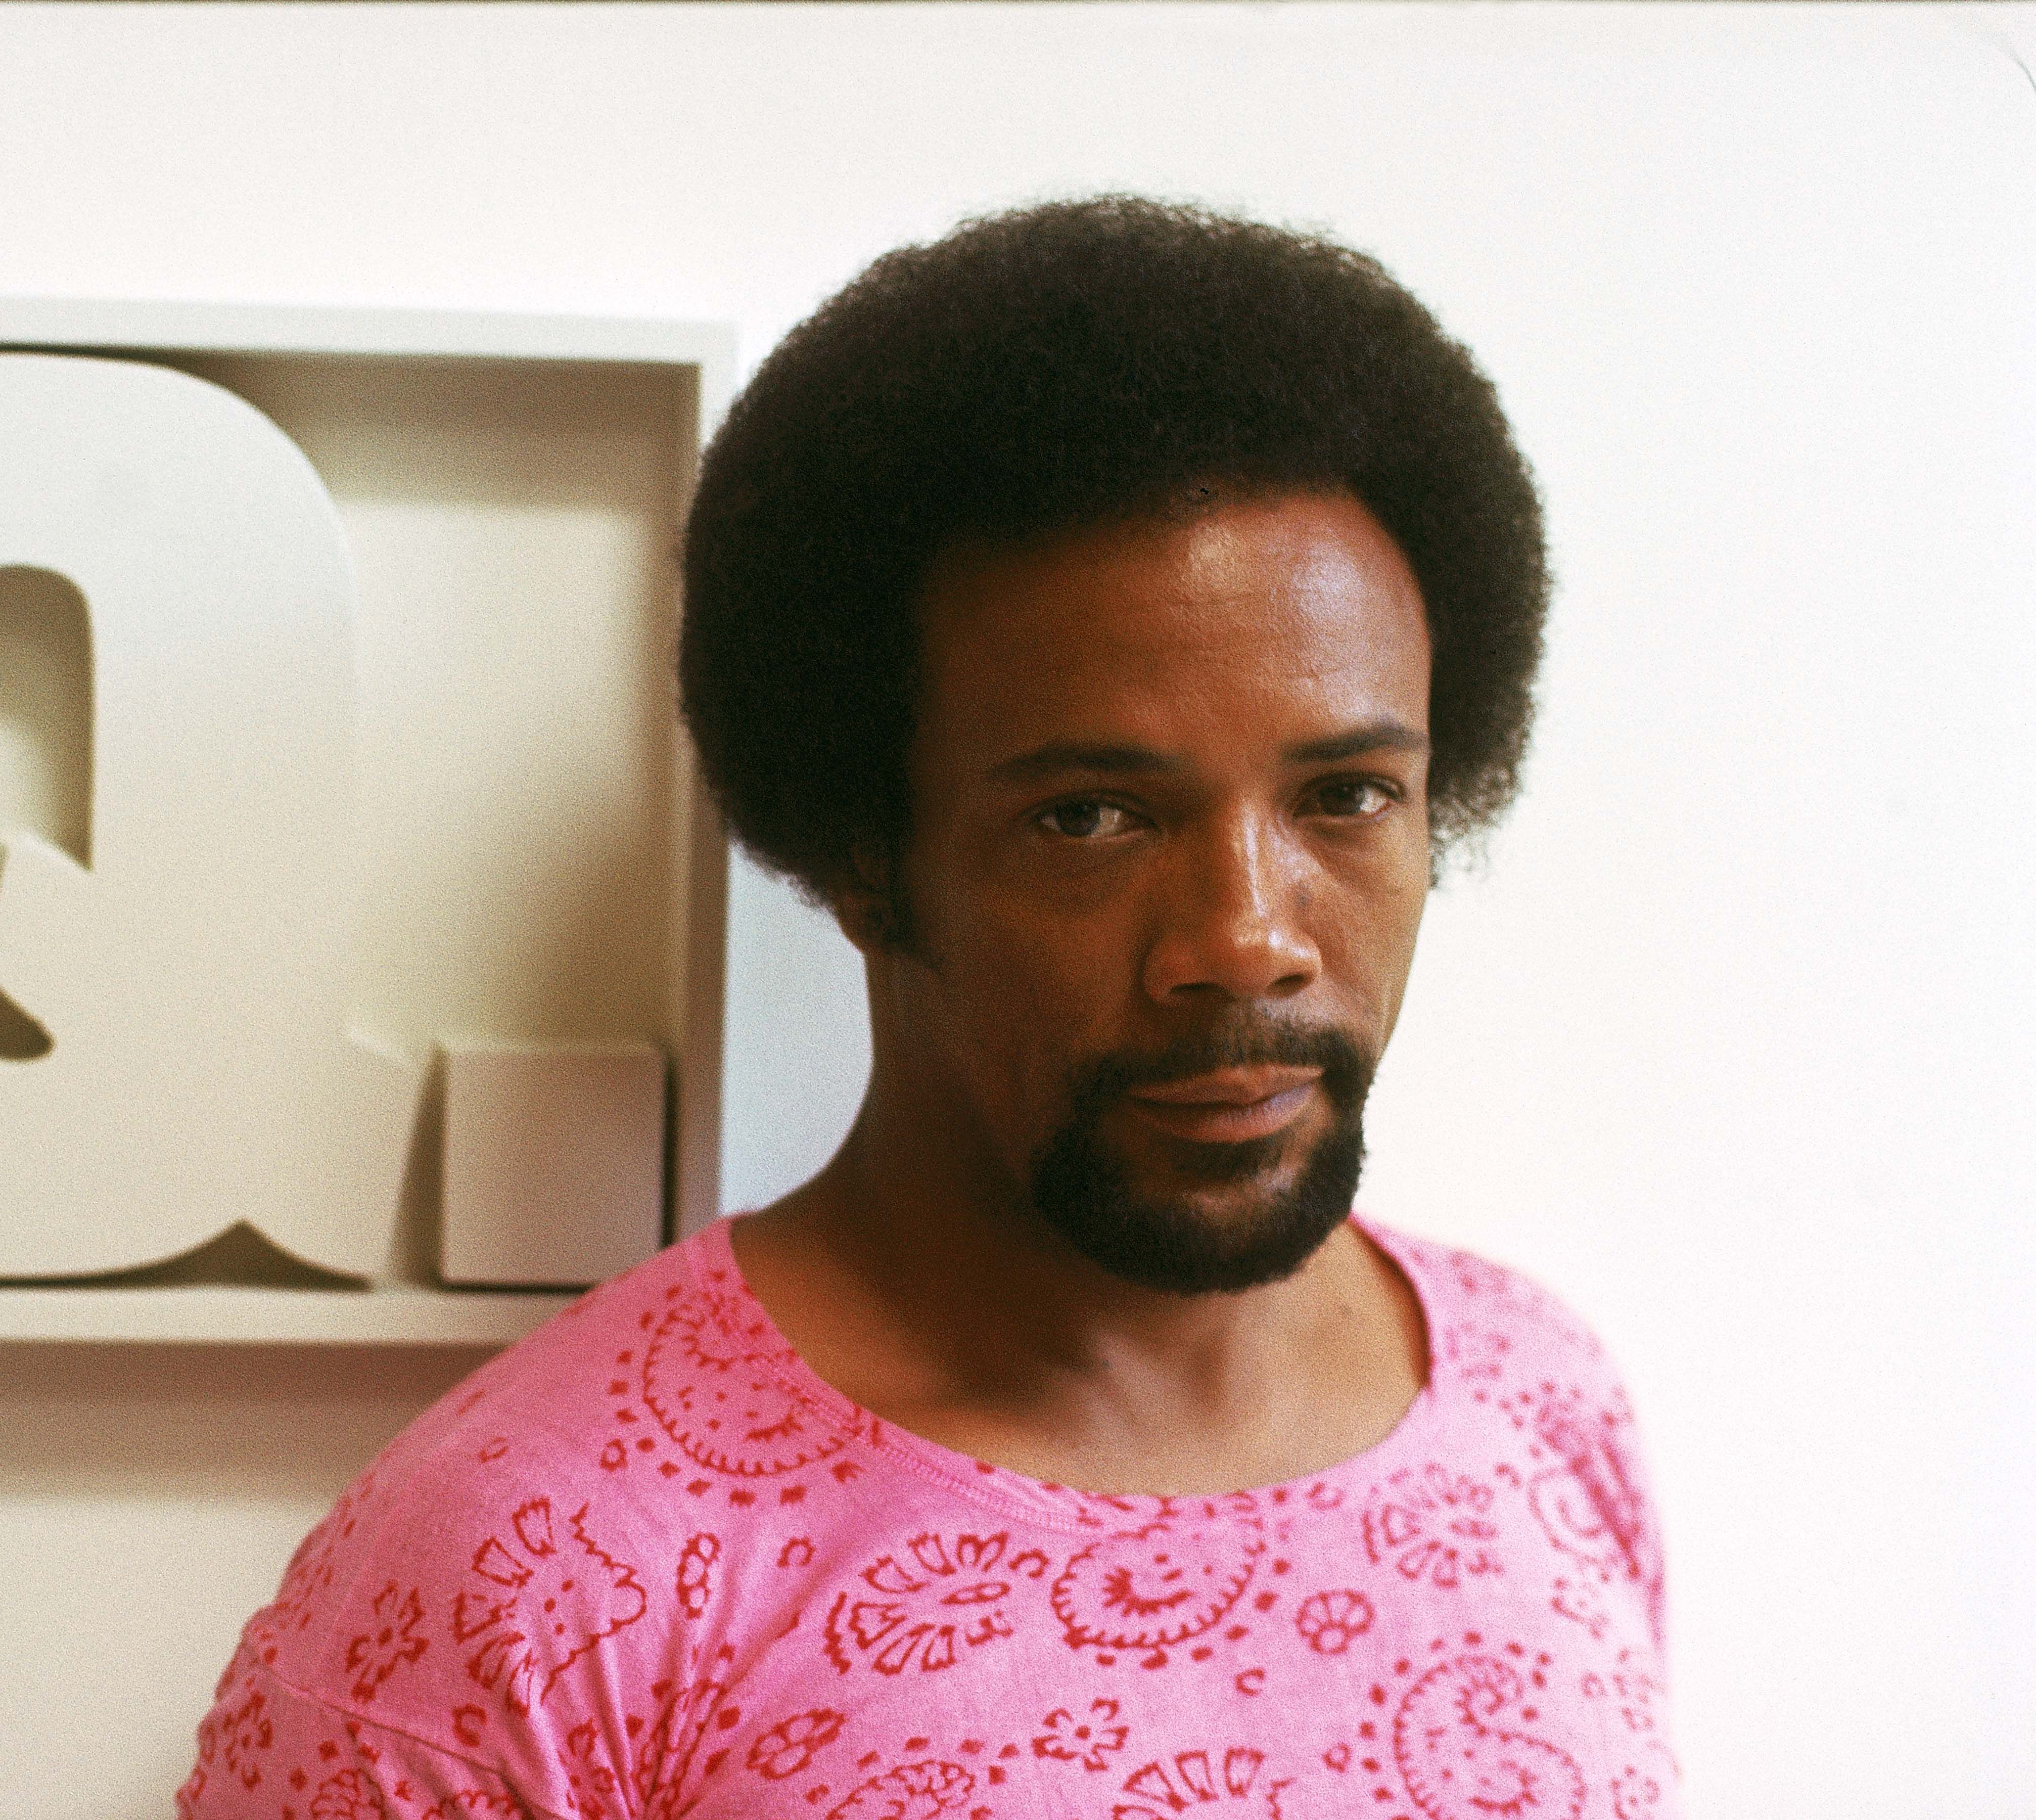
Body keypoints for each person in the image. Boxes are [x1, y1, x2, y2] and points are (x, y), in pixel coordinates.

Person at [179, 197, 1676, 1820]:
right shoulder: (531, 1579)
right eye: (1093, 817)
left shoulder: (1540, 1403)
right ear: (864, 848)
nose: (1247, 940)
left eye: (1346, 797)